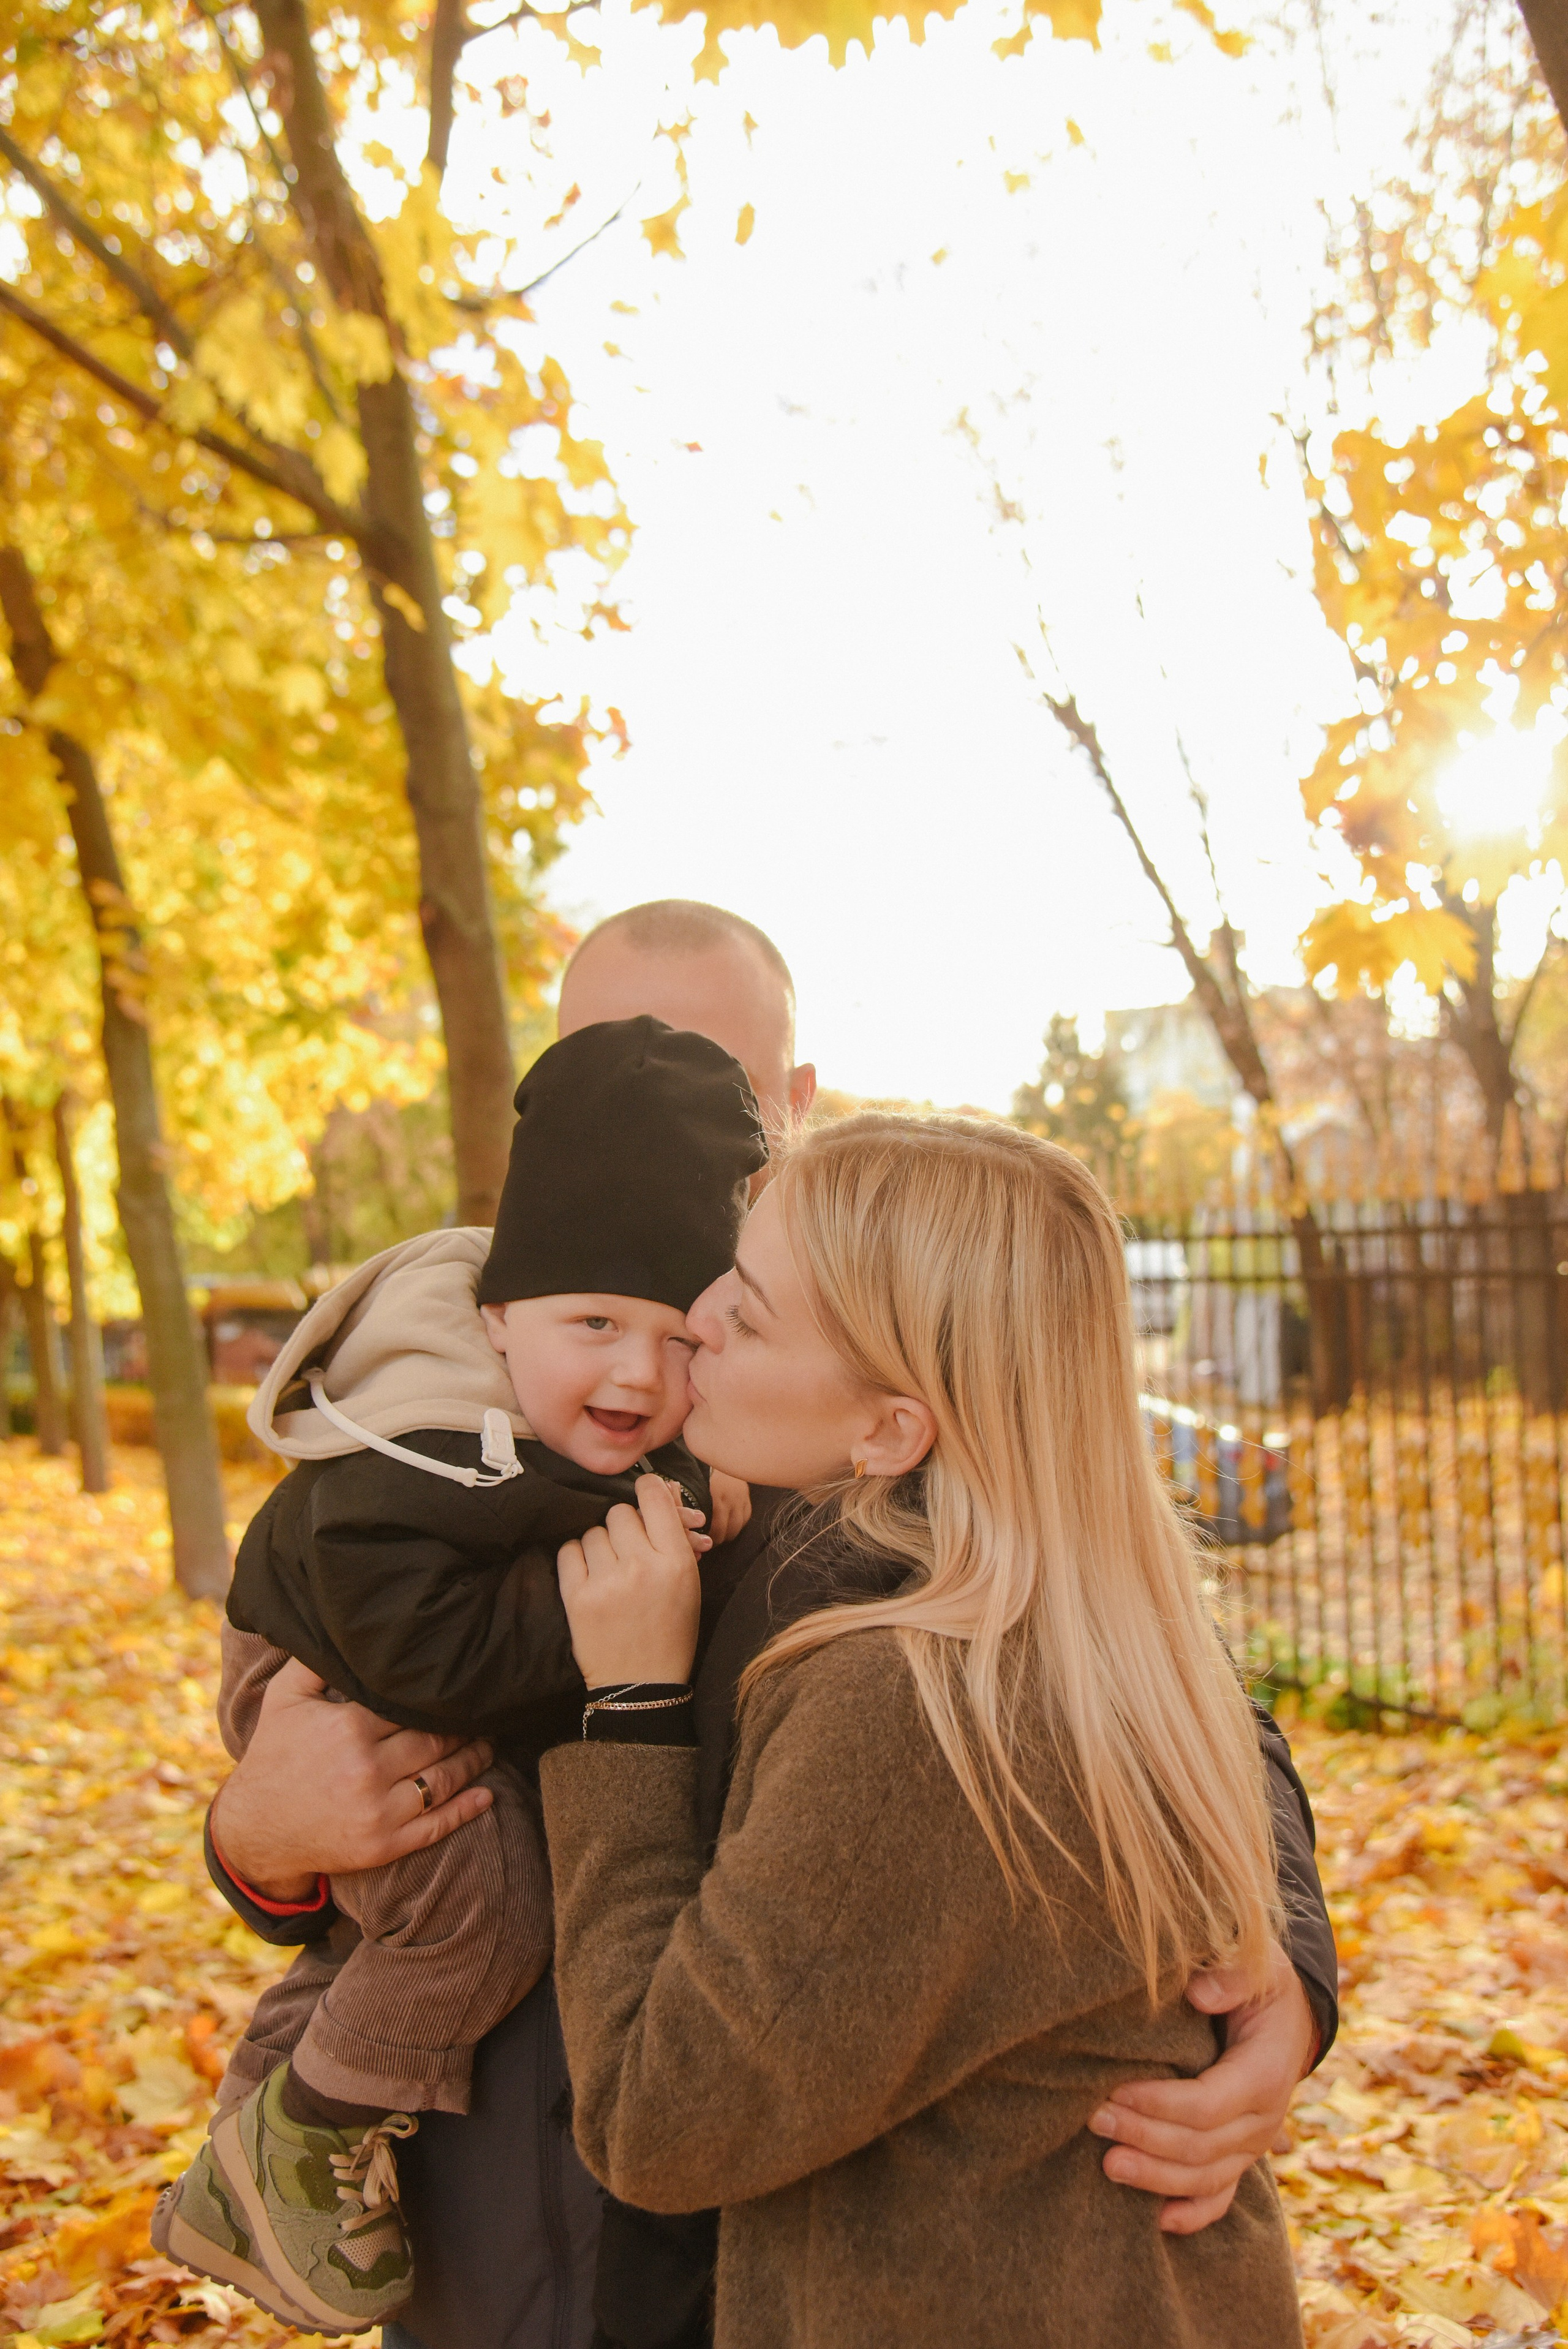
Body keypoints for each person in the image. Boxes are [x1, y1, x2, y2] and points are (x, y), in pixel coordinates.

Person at [205, 902, 1336, 2349]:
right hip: (503, 2212)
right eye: (600, 1063)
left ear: (788, 1111)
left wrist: (1278, 1971)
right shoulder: (457, 1381)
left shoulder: (889, 1361)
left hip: (772, 2213)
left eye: (708, 1087)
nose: (650, 1123)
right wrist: (259, 1848)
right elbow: (316, 1724)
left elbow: (1145, 1676)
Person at [543, 1114, 1307, 2347]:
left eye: (749, 1309)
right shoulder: (1103, 1628)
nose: (696, 1319)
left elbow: (657, 2121)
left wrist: (628, 1714)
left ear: (890, 1432)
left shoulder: (914, 1701)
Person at [157, 1019, 766, 2335]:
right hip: (354, 1681)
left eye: (677, 1340)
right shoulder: (430, 1440)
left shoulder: (749, 1429)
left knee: (456, 1893)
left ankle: (263, 2148)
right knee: (477, 1897)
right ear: (498, 1316)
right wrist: (255, 1838)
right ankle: (302, 2139)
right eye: (595, 1321)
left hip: (682, 2197)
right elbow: (412, 1666)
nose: (634, 1372)